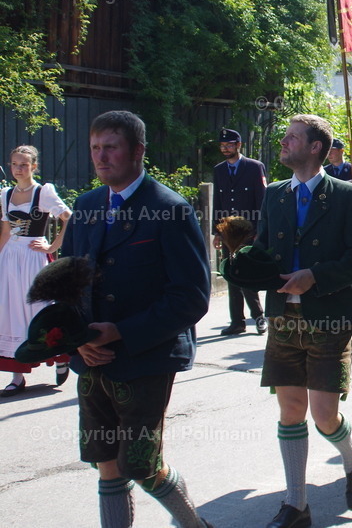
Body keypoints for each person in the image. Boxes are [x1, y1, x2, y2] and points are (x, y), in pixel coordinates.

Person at [61, 111, 211, 527]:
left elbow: (191, 297)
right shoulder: (87, 205)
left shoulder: (169, 209)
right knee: (105, 461)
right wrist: (77, 338)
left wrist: (121, 332)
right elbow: (66, 281)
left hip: (146, 355)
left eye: (110, 147)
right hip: (91, 357)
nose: (100, 157)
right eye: (95, 148)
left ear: (138, 150)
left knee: (140, 464)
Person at [253, 114, 352, 526]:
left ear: (314, 147)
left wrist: (315, 277)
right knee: (290, 410)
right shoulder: (274, 195)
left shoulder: (348, 195)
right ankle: (296, 504)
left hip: (329, 318)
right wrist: (242, 267)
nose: (284, 143)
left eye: (291, 138)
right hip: (283, 320)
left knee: (324, 415)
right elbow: (262, 252)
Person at [0, 145, 72, 395]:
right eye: (14, 164)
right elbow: (6, 232)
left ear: (34, 167)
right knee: (10, 311)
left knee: (40, 309)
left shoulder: (43, 192)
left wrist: (52, 245)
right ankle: (16, 375)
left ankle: (60, 355)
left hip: (33, 258)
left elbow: (69, 218)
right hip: (10, 258)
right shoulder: (5, 194)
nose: (18, 169)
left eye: (23, 164)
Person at [212, 127, 268, 336]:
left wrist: (260, 230)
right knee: (230, 274)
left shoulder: (254, 167)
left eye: (229, 145)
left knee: (245, 273)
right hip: (228, 231)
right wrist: (217, 231)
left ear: (239, 145)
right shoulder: (219, 170)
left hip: (248, 230)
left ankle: (259, 316)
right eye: (223, 145)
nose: (226, 149)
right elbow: (218, 201)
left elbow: (262, 201)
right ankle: (237, 321)